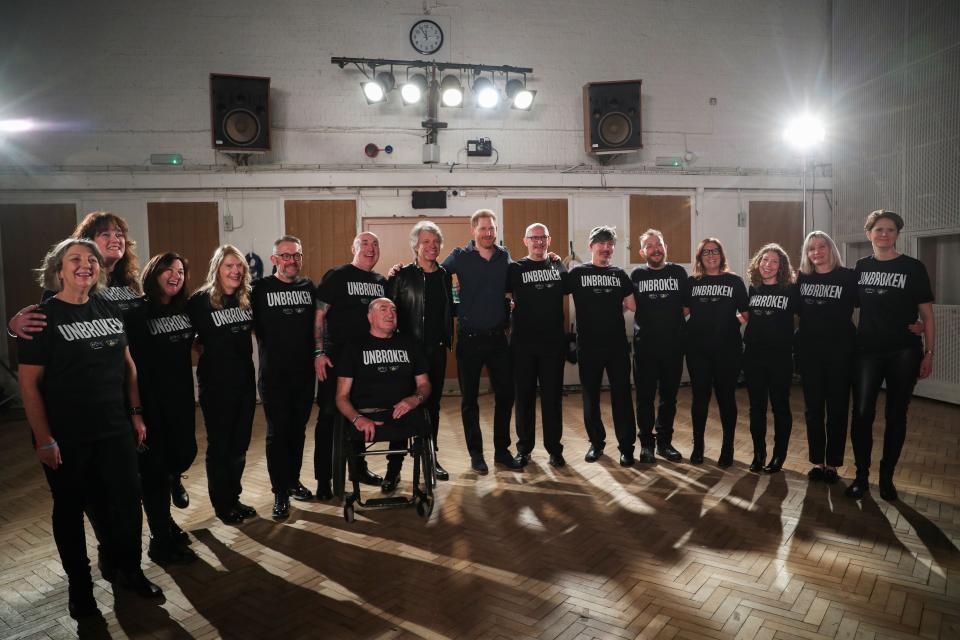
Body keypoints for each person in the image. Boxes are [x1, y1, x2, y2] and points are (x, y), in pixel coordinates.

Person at [17, 239, 162, 619]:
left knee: (129, 502)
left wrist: (135, 413)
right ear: (58, 270)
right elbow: (29, 385)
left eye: (91, 260)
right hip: (66, 435)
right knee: (69, 511)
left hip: (114, 429)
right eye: (75, 260)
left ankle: (129, 570)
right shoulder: (41, 318)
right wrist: (45, 438)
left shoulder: (109, 307)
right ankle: (80, 590)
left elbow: (128, 365)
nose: (86, 265)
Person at [846, 210, 935, 501]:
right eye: (879, 229)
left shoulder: (913, 267)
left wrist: (929, 351)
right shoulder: (860, 267)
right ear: (869, 233)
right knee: (861, 413)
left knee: (896, 414)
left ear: (897, 235)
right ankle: (861, 476)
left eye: (891, 230)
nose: (884, 234)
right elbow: (845, 306)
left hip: (904, 351)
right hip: (866, 351)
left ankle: (886, 478)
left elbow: (927, 315)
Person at [125, 253, 198, 563]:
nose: (175, 275)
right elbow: (130, 365)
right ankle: (159, 538)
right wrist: (137, 410)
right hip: (153, 402)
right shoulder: (138, 311)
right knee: (154, 472)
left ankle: (172, 494)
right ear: (154, 273)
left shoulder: (185, 308)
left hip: (182, 398)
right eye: (169, 269)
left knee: (183, 453)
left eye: (181, 271)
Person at [441, 210, 522, 474]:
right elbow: (433, 272)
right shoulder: (459, 257)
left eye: (492, 228)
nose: (489, 233)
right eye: (484, 228)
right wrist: (402, 268)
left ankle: (501, 450)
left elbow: (518, 278)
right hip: (469, 340)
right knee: (469, 401)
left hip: (498, 339)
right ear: (473, 230)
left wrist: (553, 260)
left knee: (507, 395)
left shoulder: (504, 256)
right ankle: (476, 454)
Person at [314, 232, 388, 498]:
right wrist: (318, 352)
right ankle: (324, 480)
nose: (371, 248)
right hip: (334, 360)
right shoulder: (337, 275)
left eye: (375, 243)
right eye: (365, 243)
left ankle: (358, 469)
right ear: (353, 248)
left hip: (365, 364)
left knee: (359, 416)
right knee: (329, 419)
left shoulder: (382, 282)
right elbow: (319, 314)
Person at [187, 245, 257, 524]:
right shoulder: (199, 301)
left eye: (239, 266)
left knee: (239, 444)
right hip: (216, 384)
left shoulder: (246, 300)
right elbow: (187, 337)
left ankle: (234, 497)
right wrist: (204, 350)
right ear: (217, 268)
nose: (235, 271)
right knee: (220, 445)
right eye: (229, 265)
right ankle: (221, 503)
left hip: (244, 381)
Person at [252, 236, 318, 520]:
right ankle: (279, 491)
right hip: (274, 374)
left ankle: (293, 480)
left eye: (296, 255)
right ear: (274, 259)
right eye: (286, 255)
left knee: (298, 430)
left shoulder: (308, 287)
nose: (292, 261)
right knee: (277, 433)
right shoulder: (259, 289)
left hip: (304, 374)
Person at [335, 298, 432, 490]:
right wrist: (357, 419)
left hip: (401, 411)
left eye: (394, 310)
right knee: (349, 431)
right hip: (366, 414)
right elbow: (341, 397)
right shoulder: (354, 347)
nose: (390, 314)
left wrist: (415, 399)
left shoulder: (409, 343)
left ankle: (393, 473)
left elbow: (425, 384)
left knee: (412, 417)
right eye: (383, 309)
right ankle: (357, 474)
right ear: (370, 317)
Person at [387, 221, 454, 485]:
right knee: (402, 407)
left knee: (432, 407)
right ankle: (394, 468)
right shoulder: (401, 275)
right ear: (416, 246)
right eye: (426, 242)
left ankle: (430, 457)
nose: (432, 246)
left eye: (435, 242)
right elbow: (389, 313)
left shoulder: (446, 275)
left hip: (436, 352)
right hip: (407, 353)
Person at [8, 211, 144, 340]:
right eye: (105, 234)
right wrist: (13, 328)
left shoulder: (129, 279)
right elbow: (46, 325)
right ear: (88, 242)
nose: (115, 240)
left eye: (119, 234)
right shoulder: (70, 280)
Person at [567, 226, 638, 466]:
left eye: (610, 244)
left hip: (617, 345)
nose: (606, 248)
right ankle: (596, 444)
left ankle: (626, 447)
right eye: (601, 243)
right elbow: (555, 291)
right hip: (588, 346)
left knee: (623, 397)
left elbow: (631, 304)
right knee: (591, 397)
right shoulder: (577, 274)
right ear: (591, 246)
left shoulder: (620, 274)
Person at [796, 231, 857, 484]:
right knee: (813, 410)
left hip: (841, 352)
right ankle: (817, 463)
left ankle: (832, 464)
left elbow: (879, 306)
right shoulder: (801, 278)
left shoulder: (848, 277)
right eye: (811, 248)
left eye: (822, 247)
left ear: (831, 249)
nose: (817, 252)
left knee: (838, 409)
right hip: (810, 352)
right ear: (807, 254)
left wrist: (914, 320)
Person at [506, 223, 568, 468]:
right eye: (534, 238)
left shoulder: (556, 266)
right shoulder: (515, 268)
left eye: (543, 237)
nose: (539, 242)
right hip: (523, 345)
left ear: (549, 240)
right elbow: (505, 296)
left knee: (553, 399)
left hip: (553, 345)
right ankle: (524, 449)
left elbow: (569, 286)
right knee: (525, 399)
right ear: (525, 241)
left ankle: (554, 449)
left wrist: (560, 262)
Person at [684, 238, 749, 467]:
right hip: (697, 350)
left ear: (721, 254)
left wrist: (730, 322)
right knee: (700, 398)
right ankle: (698, 446)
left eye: (715, 251)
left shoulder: (735, 282)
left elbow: (746, 313)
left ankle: (727, 447)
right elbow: (682, 312)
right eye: (706, 252)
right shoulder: (692, 282)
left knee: (726, 399)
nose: (711, 255)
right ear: (700, 258)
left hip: (727, 350)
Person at [630, 229, 687, 463]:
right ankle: (646, 445)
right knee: (644, 397)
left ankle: (665, 443)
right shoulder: (636, 275)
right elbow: (630, 305)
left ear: (665, 247)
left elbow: (686, 307)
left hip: (673, 346)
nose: (656, 248)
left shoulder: (678, 272)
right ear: (642, 251)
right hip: (645, 347)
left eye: (659, 244)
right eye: (650, 245)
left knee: (669, 398)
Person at [743, 243, 798, 474]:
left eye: (774, 261)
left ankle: (778, 456)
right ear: (758, 263)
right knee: (756, 408)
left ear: (781, 266)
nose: (768, 265)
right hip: (754, 356)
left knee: (780, 407)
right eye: (765, 260)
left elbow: (806, 316)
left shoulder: (791, 290)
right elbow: (746, 316)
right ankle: (758, 454)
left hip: (780, 357)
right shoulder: (753, 288)